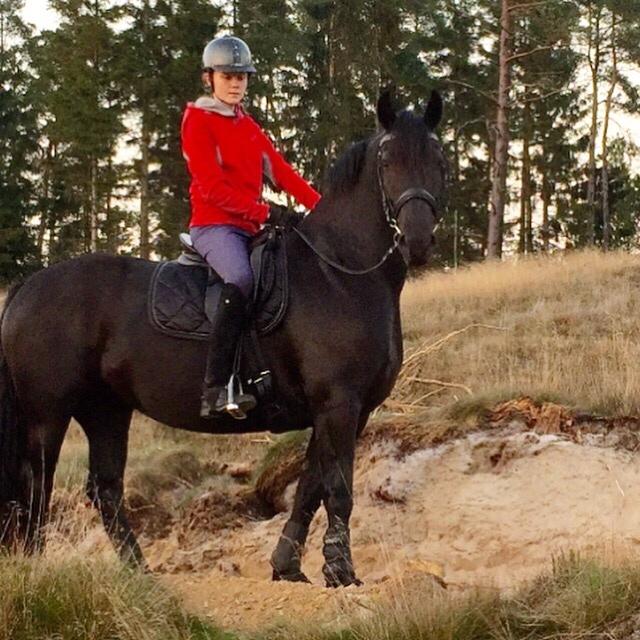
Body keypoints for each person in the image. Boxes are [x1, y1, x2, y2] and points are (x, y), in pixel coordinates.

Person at [181, 35, 321, 420]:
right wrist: (264, 212)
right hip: (215, 227)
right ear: (209, 78)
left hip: (253, 227)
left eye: (242, 75)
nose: (237, 82)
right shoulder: (197, 121)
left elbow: (284, 175)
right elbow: (210, 186)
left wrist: (323, 211)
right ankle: (215, 387)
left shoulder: (249, 127)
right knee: (241, 278)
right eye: (228, 75)